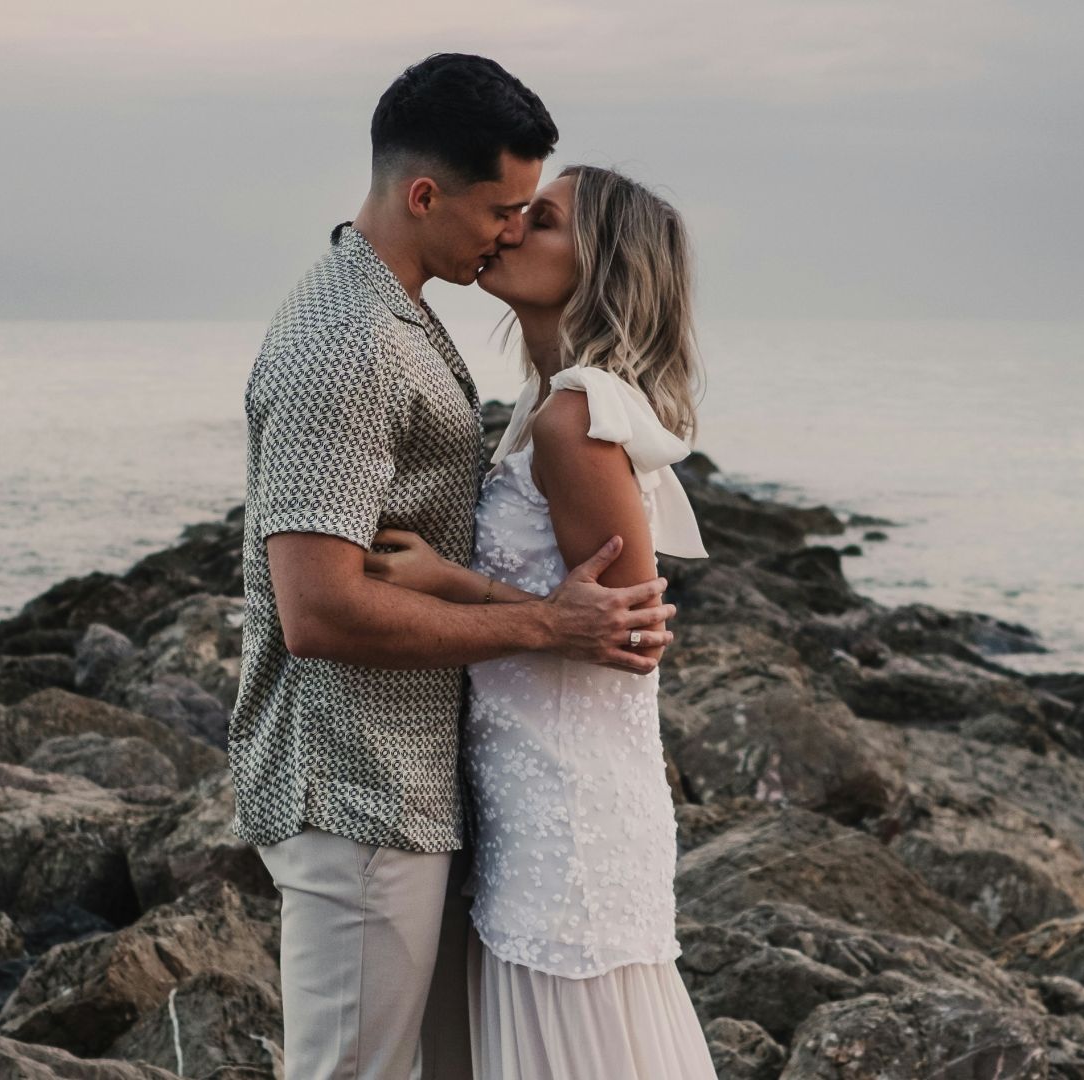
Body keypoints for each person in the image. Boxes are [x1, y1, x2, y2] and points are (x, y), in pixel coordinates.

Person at [228, 54, 678, 1080]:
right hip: (356, 784)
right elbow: (319, 614)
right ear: (425, 194)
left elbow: (619, 616)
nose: (509, 230)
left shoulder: (404, 322)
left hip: (420, 789)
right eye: (504, 208)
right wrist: (544, 624)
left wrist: (505, 601)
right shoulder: (345, 341)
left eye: (535, 214)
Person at [363, 163, 717, 1077]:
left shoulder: (574, 420)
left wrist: (451, 582)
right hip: (531, 797)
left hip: (573, 817)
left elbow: (629, 641)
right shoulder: (541, 407)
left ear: (597, 268)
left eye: (543, 219)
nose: (511, 227)